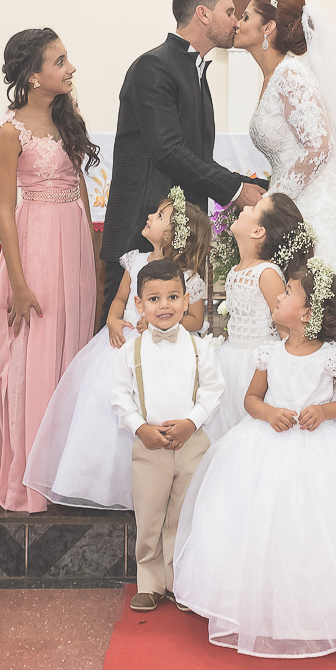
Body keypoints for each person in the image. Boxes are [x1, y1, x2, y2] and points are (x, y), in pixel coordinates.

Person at [174, 260, 336, 658]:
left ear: (308, 313)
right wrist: (269, 412)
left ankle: (319, 610)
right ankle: (264, 607)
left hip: (323, 450)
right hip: (265, 446)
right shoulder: (269, 352)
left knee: (316, 529)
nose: (279, 295)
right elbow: (251, 399)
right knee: (263, 527)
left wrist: (325, 411)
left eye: (289, 292)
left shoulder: (331, 357)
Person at [0, 29, 98, 513]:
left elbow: (80, 188)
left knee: (71, 352)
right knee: (36, 357)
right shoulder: (10, 132)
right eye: (60, 60)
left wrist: (92, 254)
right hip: (36, 246)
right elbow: (4, 210)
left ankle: (67, 470)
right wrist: (19, 285)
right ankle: (29, 477)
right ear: (33, 74)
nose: (71, 67)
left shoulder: (70, 120)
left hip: (74, 246)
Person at [24, 188, 211, 509]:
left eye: (160, 216)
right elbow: (121, 300)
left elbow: (195, 318)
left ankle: (154, 485)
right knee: (102, 402)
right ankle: (103, 483)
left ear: (173, 235)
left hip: (161, 352)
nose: (150, 217)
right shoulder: (135, 260)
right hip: (120, 346)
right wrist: (112, 319)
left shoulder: (186, 276)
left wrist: (166, 321)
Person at [100, 0, 267, 322]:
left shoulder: (193, 70)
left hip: (177, 233)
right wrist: (236, 190)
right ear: (203, 15)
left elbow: (196, 158)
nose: (236, 21)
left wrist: (254, 186)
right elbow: (167, 151)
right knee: (124, 337)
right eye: (230, 11)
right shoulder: (155, 67)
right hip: (144, 230)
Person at [232, 0, 336, 295]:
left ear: (267, 28)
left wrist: (275, 199)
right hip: (290, 199)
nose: (237, 24)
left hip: (312, 200)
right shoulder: (273, 76)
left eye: (245, 17)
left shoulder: (291, 73)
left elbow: (319, 146)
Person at [111, 260, 225, 613]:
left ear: (187, 299)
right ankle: (149, 581)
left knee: (181, 514)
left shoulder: (199, 347)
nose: (164, 306)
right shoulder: (130, 351)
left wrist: (192, 422)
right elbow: (119, 396)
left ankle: (179, 582)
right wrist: (139, 427)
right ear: (139, 305)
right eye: (155, 298)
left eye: (173, 297)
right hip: (149, 447)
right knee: (149, 515)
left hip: (192, 445)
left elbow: (212, 390)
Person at [201, 193, 314, 443]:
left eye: (254, 207)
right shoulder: (235, 271)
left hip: (255, 365)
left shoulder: (267, 273)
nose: (246, 206)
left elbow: (286, 329)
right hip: (231, 358)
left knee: (249, 431)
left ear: (257, 232)